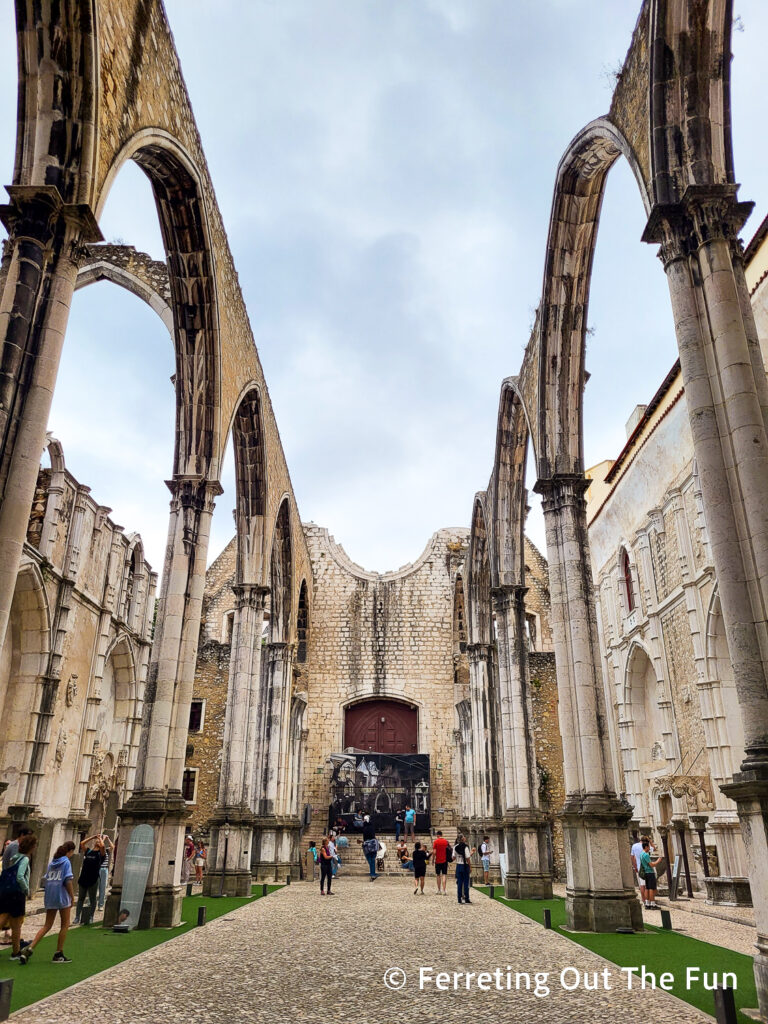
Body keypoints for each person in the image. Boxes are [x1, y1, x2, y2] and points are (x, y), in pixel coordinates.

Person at [20, 840, 76, 964]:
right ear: (70, 851)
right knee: (65, 924)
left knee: (47, 925)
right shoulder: (66, 862)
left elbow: (46, 879)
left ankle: (30, 947)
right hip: (62, 896)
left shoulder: (52, 863)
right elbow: (68, 881)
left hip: (50, 895)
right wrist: (72, 897)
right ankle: (58, 953)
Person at [0, 833, 37, 960]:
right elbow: (20, 876)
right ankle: (15, 952)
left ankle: (16, 951)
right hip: (17, 894)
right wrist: (26, 890)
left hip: (6, 892)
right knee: (16, 924)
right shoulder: (25, 859)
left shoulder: (14, 857)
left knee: (3, 919)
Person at [74, 834, 105, 925]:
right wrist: (93, 837)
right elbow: (82, 843)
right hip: (84, 877)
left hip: (93, 879)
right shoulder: (88, 852)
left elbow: (103, 846)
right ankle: (77, 917)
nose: (98, 842)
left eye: (99, 841)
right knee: (81, 898)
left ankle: (91, 916)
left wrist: (100, 838)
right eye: (97, 841)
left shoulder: (101, 854)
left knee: (92, 899)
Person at [631, 833, 654, 905]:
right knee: (648, 885)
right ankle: (649, 900)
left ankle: (644, 900)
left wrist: (635, 866)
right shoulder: (647, 846)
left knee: (642, 885)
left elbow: (632, 857)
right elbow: (654, 848)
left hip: (639, 867)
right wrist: (650, 841)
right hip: (647, 867)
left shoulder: (634, 846)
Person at [639, 839, 662, 910]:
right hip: (649, 872)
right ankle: (653, 904)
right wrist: (658, 861)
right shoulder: (646, 855)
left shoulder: (641, 854)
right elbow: (652, 864)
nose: (649, 848)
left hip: (646, 873)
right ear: (645, 847)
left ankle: (647, 903)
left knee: (647, 888)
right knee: (652, 888)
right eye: (648, 847)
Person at [453, 833, 475, 905]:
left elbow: (453, 857)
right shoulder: (465, 847)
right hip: (465, 865)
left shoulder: (455, 847)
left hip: (458, 865)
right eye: (464, 837)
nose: (465, 838)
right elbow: (467, 858)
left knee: (459, 883)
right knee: (466, 883)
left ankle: (459, 899)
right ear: (462, 839)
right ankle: (466, 898)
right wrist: (470, 866)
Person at [359, 815, 380, 881]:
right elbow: (373, 835)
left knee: (369, 859)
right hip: (373, 844)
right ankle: (372, 874)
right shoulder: (372, 827)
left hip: (366, 844)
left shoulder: (364, 827)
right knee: (373, 859)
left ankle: (372, 873)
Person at [97, 833, 114, 911]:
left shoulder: (106, 850)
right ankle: (91, 903)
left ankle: (100, 905)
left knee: (103, 888)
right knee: (95, 887)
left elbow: (112, 847)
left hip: (104, 869)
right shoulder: (97, 850)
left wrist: (107, 838)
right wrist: (102, 838)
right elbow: (101, 846)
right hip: (98, 869)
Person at [431, 830, 451, 894]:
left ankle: (439, 890)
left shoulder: (436, 842)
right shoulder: (446, 842)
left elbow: (434, 852)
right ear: (442, 835)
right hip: (444, 860)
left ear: (437, 835)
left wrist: (433, 860)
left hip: (438, 860)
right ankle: (444, 890)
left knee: (438, 875)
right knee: (444, 875)